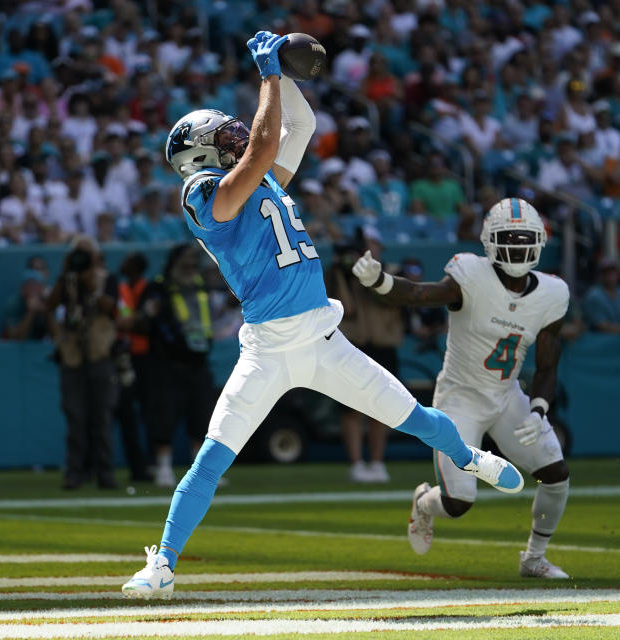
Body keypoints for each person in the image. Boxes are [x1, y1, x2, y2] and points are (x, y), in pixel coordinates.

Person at [122, 32, 522, 600]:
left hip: (322, 338)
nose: (234, 137)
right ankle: (161, 562)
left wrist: (282, 71)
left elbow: (298, 129)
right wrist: (265, 77)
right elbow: (260, 150)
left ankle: (470, 458)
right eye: (222, 137)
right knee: (210, 459)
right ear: (201, 155)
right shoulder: (201, 194)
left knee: (412, 415)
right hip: (268, 349)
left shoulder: (261, 181)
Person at [351, 197, 572, 579]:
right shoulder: (470, 275)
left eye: (525, 239)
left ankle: (534, 558)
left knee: (556, 476)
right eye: (509, 238)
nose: (518, 247)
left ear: (539, 243)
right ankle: (424, 503)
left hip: (506, 397)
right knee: (459, 502)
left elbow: (548, 363)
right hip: (459, 399)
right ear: (489, 242)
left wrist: (539, 408)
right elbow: (420, 294)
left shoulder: (552, 295)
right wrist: (380, 281)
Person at [325, 229, 404, 484]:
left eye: (371, 243)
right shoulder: (339, 273)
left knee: (381, 407)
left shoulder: (391, 271)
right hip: (352, 345)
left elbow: (388, 299)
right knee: (350, 408)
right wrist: (341, 273)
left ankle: (378, 462)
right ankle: (356, 463)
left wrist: (368, 276)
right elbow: (345, 309)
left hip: (383, 343)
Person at [138, 245, 218, 488]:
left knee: (201, 416)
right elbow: (146, 320)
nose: (191, 266)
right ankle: (163, 467)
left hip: (199, 361)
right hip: (168, 363)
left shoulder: (200, 285)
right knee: (164, 416)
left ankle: (200, 472)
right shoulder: (158, 288)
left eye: (194, 261)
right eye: (186, 261)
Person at [46, 236, 119, 490]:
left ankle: (104, 472)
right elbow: (50, 304)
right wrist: (67, 273)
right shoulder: (67, 281)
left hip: (99, 352)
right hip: (72, 354)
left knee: (101, 416)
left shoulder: (106, 279)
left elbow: (110, 308)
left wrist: (91, 284)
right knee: (75, 415)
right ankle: (75, 471)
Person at [113, 252, 153, 484]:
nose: (122, 263)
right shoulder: (121, 289)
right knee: (127, 415)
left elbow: (145, 325)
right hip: (126, 356)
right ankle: (137, 467)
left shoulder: (147, 288)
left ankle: (150, 464)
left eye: (127, 260)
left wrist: (135, 322)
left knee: (149, 414)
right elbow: (128, 321)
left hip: (147, 357)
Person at [582, 257, 620, 337]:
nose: (609, 275)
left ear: (617, 274)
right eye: (605, 272)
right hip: (603, 345)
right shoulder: (593, 296)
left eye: (612, 271)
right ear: (599, 275)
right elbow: (602, 327)